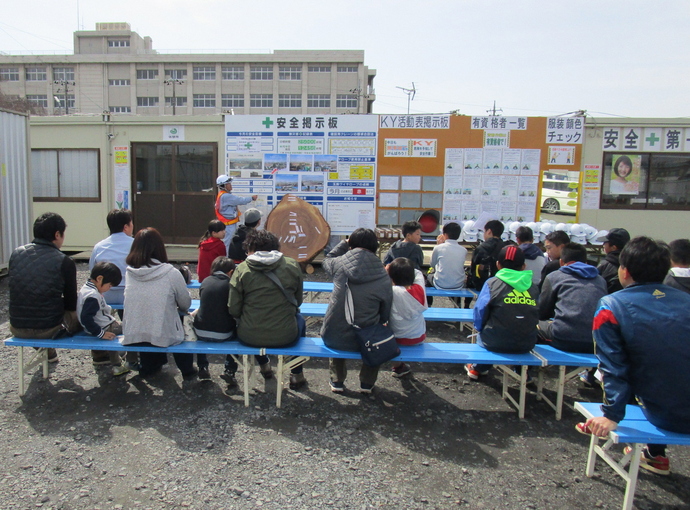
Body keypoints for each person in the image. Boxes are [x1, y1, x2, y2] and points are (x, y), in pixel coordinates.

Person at [577, 237, 690, 476]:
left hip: (667, 414)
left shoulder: (611, 305)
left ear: (625, 271)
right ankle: (655, 453)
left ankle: (646, 448)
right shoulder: (686, 300)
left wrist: (611, 416)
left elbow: (613, 366)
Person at [227, 229, 307, 390]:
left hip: (249, 336)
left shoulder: (242, 269)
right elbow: (297, 302)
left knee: (253, 320)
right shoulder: (292, 265)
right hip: (286, 336)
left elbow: (233, 309)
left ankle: (258, 367)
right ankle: (296, 374)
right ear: (276, 247)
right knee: (300, 320)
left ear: (250, 249)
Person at [321, 228, 393, 394]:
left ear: (351, 245)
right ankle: (367, 383)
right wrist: (381, 322)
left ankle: (337, 380)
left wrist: (343, 244)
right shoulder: (382, 273)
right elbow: (385, 309)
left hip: (335, 336)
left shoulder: (339, 264)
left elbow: (328, 259)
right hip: (366, 338)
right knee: (376, 331)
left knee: (336, 324)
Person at [122, 228, 196, 378]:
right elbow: (185, 304)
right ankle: (187, 370)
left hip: (134, 334)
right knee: (181, 318)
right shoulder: (170, 272)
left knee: (149, 317)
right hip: (163, 335)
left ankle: (150, 366)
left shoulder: (130, 273)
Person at [9, 212, 81, 362]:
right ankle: (101, 355)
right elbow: (70, 302)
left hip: (17, 326)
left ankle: (48, 354)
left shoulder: (16, 254)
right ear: (57, 234)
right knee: (85, 310)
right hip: (49, 329)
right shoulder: (64, 261)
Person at [192, 256, 271, 384]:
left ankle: (203, 366)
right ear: (231, 272)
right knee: (240, 332)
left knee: (204, 328)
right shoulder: (230, 285)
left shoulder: (205, 281)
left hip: (200, 331)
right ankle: (230, 370)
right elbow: (235, 310)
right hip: (223, 333)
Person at [465, 246, 539, 380]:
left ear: (498, 264)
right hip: (526, 342)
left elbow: (479, 312)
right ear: (524, 266)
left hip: (494, 341)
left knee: (487, 334)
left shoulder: (492, 283)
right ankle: (523, 372)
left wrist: (480, 329)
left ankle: (477, 368)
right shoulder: (533, 287)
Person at [89, 208, 138, 368]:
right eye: (131, 224)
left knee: (102, 316)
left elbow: (92, 273)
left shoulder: (99, 246)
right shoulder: (135, 244)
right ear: (125, 227)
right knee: (129, 316)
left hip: (106, 295)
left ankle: (100, 353)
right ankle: (132, 357)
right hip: (129, 294)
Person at [539, 243, 607, 353]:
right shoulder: (600, 280)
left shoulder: (554, 277)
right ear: (586, 262)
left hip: (562, 338)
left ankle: (532, 369)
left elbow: (542, 312)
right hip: (594, 340)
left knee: (534, 323)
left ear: (561, 262)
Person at [77, 262, 129, 376]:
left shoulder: (86, 288)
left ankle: (118, 363)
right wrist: (100, 334)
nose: (109, 289)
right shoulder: (93, 296)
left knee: (114, 335)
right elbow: (86, 318)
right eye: (109, 285)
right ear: (100, 279)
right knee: (129, 331)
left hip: (97, 327)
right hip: (103, 327)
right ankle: (127, 361)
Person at [386, 257, 428, 378]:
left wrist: (388, 269)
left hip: (396, 338)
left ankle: (397, 366)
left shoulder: (391, 291)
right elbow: (418, 273)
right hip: (418, 336)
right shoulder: (420, 289)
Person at [215, 175, 258, 255]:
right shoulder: (226, 196)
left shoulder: (223, 195)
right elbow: (240, 200)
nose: (230, 185)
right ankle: (227, 261)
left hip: (229, 224)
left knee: (229, 243)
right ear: (223, 186)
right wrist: (251, 198)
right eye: (228, 184)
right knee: (228, 244)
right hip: (229, 225)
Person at [427, 222, 467, 299]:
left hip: (440, 284)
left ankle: (429, 304)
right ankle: (458, 303)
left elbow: (432, 264)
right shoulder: (463, 250)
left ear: (445, 234)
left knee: (429, 277)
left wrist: (438, 244)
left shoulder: (438, 248)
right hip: (458, 285)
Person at [470, 220, 505, 292]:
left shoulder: (481, 248)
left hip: (482, 285)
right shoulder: (505, 247)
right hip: (501, 285)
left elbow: (473, 269)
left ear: (489, 231)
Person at [596, 228, 630, 294]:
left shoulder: (604, 265)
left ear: (613, 247)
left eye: (605, 242)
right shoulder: (632, 263)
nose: (603, 245)